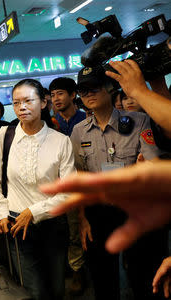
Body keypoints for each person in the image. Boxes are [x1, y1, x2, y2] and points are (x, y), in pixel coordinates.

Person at [69, 65, 167, 300]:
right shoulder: (78, 132)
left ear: (109, 88)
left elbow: (150, 163)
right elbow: (78, 178)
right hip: (98, 212)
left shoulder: (138, 121)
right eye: (83, 91)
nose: (89, 94)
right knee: (103, 279)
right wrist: (82, 220)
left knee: (143, 275)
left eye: (94, 87)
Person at [0, 79, 75, 300]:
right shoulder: (5, 135)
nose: (21, 107)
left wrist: (34, 212)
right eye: (16, 103)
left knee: (56, 289)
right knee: (32, 290)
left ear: (44, 102)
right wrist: (0, 214)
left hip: (53, 224)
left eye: (28, 101)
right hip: (17, 225)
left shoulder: (60, 141)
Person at [40, 159, 171, 254]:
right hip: (97, 209)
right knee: (103, 267)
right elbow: (78, 176)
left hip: (135, 204)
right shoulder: (80, 131)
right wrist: (82, 217)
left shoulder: (139, 125)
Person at [49, 76, 87, 294]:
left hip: (82, 183)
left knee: (77, 230)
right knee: (64, 230)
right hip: (58, 185)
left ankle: (79, 272)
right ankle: (70, 268)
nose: (56, 99)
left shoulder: (84, 120)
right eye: (53, 95)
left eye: (60, 93)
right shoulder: (51, 123)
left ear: (73, 95)